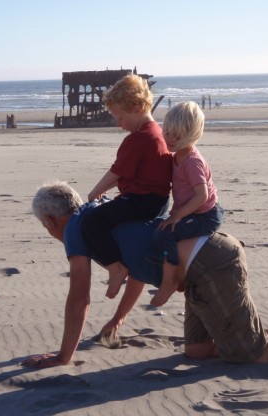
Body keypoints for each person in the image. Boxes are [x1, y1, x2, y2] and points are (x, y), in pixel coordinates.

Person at [21, 180, 268, 368]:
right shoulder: (97, 216)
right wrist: (118, 319)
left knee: (253, 355)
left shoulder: (76, 231)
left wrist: (62, 357)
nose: (48, 230)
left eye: (44, 225)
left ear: (51, 220)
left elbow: (79, 298)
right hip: (200, 265)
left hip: (209, 263)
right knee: (197, 350)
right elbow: (135, 271)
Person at [82, 74, 172, 299]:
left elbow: (117, 172)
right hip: (160, 201)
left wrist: (94, 192)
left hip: (142, 201)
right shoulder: (158, 133)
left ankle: (115, 267)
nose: (118, 123)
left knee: (91, 222)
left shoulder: (138, 139)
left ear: (136, 107)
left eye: (119, 117)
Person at [151, 101, 223, 307]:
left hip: (205, 214)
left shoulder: (192, 161)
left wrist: (178, 215)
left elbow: (202, 195)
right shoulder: (176, 156)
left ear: (192, 135)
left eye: (178, 136)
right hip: (193, 210)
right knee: (156, 225)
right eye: (168, 133)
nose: (171, 139)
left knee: (164, 234)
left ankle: (170, 281)